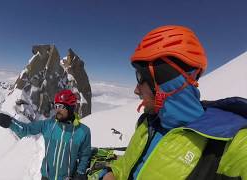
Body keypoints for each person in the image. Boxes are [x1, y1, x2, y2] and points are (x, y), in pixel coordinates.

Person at [102, 25, 247, 179]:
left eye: (140, 77)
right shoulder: (148, 123)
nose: (136, 90)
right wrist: (113, 174)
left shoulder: (232, 144)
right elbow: (128, 165)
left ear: (166, 81)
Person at [0, 89, 92, 180]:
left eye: (61, 106)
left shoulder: (83, 131)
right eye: (56, 106)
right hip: (46, 177)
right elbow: (25, 129)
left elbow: (85, 155)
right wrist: (2, 120)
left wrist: (80, 173)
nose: (57, 110)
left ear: (71, 107)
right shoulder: (48, 125)